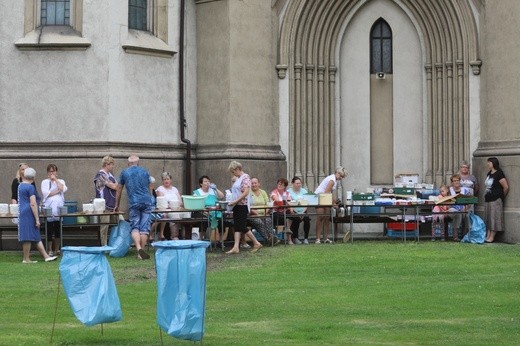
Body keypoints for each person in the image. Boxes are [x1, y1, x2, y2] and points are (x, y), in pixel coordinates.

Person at [115, 154, 153, 260]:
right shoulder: (145, 171)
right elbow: (150, 187)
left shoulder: (124, 172)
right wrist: (150, 200)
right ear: (138, 163)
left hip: (134, 203)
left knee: (135, 227)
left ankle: (138, 247)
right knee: (144, 228)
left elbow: (119, 190)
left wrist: (116, 205)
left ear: (128, 163)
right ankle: (141, 252)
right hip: (147, 201)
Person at [17, 167, 57, 263]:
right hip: (29, 213)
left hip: (22, 212)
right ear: (33, 177)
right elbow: (33, 203)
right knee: (28, 235)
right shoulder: (30, 187)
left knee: (35, 235)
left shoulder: (20, 186)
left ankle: (46, 256)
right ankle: (26, 259)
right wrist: (37, 219)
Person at [226, 161, 262, 254]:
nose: (233, 174)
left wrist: (235, 201)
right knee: (237, 226)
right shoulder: (238, 178)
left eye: (233, 172)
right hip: (237, 205)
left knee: (241, 226)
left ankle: (256, 242)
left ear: (237, 169)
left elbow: (245, 192)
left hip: (242, 205)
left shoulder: (245, 177)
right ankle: (236, 247)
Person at [314, 167, 347, 244]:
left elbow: (331, 193)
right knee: (320, 217)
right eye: (341, 176)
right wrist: (333, 204)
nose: (341, 178)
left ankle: (326, 238)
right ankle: (318, 238)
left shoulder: (334, 180)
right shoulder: (332, 180)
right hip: (319, 197)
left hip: (325, 197)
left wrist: (335, 201)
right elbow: (326, 193)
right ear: (337, 173)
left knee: (327, 218)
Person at [41, 164, 67, 256]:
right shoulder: (44, 182)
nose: (52, 173)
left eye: (53, 171)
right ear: (48, 173)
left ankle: (57, 249)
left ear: (56, 172)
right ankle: (49, 249)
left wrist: (55, 180)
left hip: (58, 209)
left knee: (57, 229)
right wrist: (57, 191)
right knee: (49, 229)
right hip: (49, 209)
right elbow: (46, 194)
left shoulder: (60, 181)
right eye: (50, 171)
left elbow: (62, 189)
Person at [484, 157, 509, 243]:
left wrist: (501, 196)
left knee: (494, 218)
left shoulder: (499, 173)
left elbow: (505, 187)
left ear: (493, 163)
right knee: (488, 217)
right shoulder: (489, 173)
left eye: (489, 162)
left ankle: (492, 237)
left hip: (496, 199)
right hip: (488, 199)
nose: (488, 164)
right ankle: (488, 235)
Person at [94, 155, 117, 246]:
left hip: (112, 204)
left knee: (119, 222)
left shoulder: (110, 175)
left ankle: (115, 243)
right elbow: (114, 186)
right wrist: (114, 185)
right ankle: (104, 245)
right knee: (104, 226)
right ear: (107, 164)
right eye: (112, 164)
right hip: (104, 205)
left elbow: (117, 186)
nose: (112, 166)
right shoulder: (100, 175)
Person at [193, 175, 224, 240]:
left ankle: (221, 241)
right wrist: (205, 211)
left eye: (208, 181)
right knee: (203, 220)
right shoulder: (197, 193)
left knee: (222, 220)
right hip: (203, 212)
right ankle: (201, 238)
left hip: (215, 211)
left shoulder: (213, 191)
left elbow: (222, 196)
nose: (208, 183)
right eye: (205, 181)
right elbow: (195, 206)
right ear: (201, 184)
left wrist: (216, 188)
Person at [248, 177, 278, 244]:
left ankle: (272, 237)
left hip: (264, 213)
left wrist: (265, 212)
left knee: (268, 220)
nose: (254, 185)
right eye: (252, 183)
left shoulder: (263, 192)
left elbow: (268, 203)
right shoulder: (248, 192)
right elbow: (248, 205)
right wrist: (255, 213)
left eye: (255, 183)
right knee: (259, 222)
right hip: (252, 214)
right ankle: (268, 239)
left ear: (259, 184)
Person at [155, 172, 183, 240]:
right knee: (174, 215)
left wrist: (178, 205)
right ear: (162, 181)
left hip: (177, 208)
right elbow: (162, 202)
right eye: (164, 179)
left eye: (168, 179)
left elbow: (180, 201)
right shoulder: (160, 189)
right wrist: (172, 205)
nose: (166, 181)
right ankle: (174, 236)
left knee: (187, 214)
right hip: (167, 209)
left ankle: (186, 236)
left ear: (171, 180)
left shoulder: (175, 189)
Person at [287, 176, 311, 244]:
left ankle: (306, 238)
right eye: (297, 183)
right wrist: (296, 212)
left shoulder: (304, 191)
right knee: (295, 219)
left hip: (303, 210)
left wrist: (303, 212)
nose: (298, 185)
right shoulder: (288, 192)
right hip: (294, 211)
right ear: (292, 183)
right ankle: (295, 237)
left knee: (306, 219)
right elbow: (288, 203)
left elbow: (307, 202)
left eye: (299, 183)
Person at [448, 174, 471, 241]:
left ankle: (466, 235)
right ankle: (455, 236)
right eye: (454, 181)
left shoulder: (465, 190)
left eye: (458, 180)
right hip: (451, 209)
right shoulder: (449, 191)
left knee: (466, 214)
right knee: (457, 213)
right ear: (452, 183)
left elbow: (470, 201)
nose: (456, 182)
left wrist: (466, 208)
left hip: (463, 209)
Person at [270, 178, 293, 243]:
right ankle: (289, 238)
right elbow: (278, 201)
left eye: (282, 184)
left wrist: (290, 207)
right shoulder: (274, 192)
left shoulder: (287, 193)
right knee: (288, 217)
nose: (279, 185)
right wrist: (287, 204)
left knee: (291, 214)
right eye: (279, 184)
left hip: (284, 212)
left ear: (285, 186)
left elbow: (289, 202)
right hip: (276, 213)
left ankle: (288, 232)